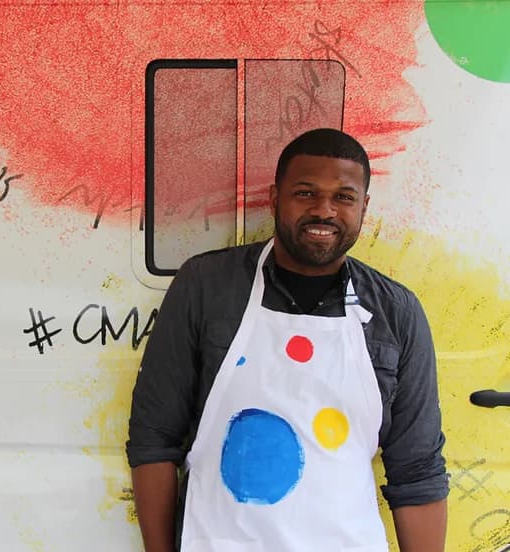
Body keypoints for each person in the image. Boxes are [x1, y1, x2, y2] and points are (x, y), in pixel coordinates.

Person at [127, 128, 448, 552]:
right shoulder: (206, 286)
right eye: (305, 193)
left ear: (364, 207)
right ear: (275, 197)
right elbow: (154, 439)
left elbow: (417, 472)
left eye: (344, 197)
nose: (324, 211)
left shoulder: (397, 313)